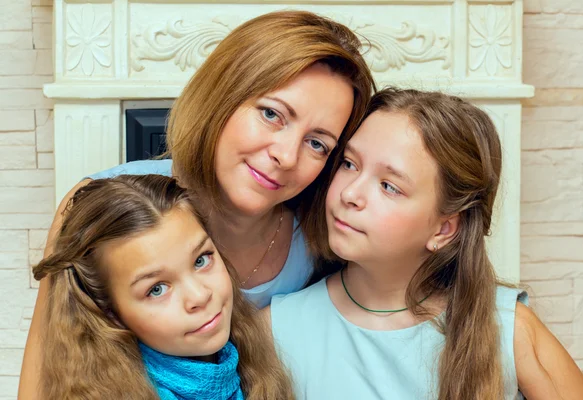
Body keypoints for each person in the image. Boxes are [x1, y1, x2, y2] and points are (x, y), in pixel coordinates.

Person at [19, 10, 375, 398]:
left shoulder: (322, 236)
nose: (287, 156)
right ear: (223, 97)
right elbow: (43, 381)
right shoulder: (99, 204)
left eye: (317, 143)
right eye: (272, 114)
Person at [267, 88, 583, 399]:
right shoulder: (277, 330)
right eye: (349, 164)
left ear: (444, 229)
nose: (349, 194)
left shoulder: (508, 328)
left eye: (388, 186)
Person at [32, 174, 294, 399]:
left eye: (201, 260)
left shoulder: (249, 364)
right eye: (156, 289)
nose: (200, 296)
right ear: (111, 313)